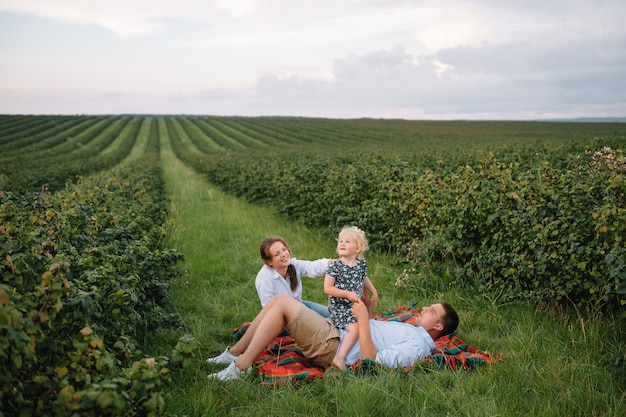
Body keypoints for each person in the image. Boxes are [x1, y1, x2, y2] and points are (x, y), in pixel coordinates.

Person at [206, 294, 459, 381]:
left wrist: (362, 320)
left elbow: (373, 361)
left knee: (283, 304)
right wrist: (366, 312)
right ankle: (234, 353)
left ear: (437, 326)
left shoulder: (417, 345)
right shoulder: (413, 329)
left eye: (432, 311)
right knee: (287, 301)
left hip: (335, 344)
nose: (425, 308)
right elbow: (374, 333)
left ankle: (241, 368)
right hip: (342, 329)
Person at [324, 226, 378, 369]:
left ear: (357, 248)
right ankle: (339, 358)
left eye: (347, 241)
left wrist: (374, 292)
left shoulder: (361, 264)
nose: (342, 244)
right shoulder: (335, 266)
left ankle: (364, 349)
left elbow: (363, 278)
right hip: (340, 308)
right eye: (340, 241)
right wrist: (347, 294)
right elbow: (327, 288)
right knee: (355, 329)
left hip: (355, 305)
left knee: (367, 322)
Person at [255, 236, 331, 317]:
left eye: (284, 249)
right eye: (277, 254)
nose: (284, 254)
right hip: (283, 320)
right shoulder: (264, 278)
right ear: (269, 262)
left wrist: (332, 263)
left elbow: (312, 267)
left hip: (300, 306)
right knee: (321, 326)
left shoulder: (293, 264)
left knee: (335, 316)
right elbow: (269, 310)